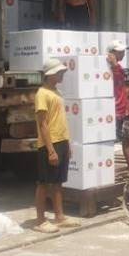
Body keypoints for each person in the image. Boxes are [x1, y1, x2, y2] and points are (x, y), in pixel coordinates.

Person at [33, 58, 82, 233]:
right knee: (44, 183)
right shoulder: (42, 94)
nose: (62, 75)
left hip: (61, 141)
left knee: (58, 182)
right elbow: (43, 124)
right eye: (59, 72)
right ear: (50, 74)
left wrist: (67, 143)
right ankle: (40, 220)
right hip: (49, 143)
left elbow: (61, 120)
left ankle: (59, 216)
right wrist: (50, 150)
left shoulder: (57, 92)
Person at [107, 40, 129, 173]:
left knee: (127, 140)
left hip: (124, 110)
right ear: (112, 53)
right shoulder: (106, 67)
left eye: (123, 51)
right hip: (111, 111)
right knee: (109, 141)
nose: (123, 53)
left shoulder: (118, 67)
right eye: (120, 51)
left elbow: (123, 75)